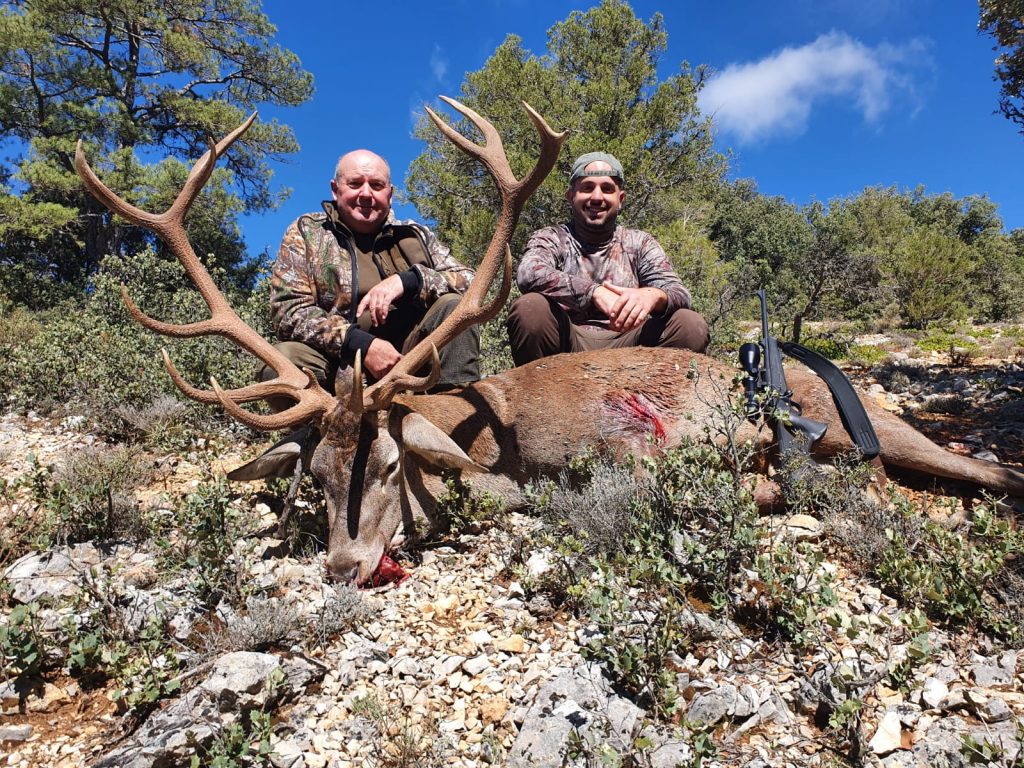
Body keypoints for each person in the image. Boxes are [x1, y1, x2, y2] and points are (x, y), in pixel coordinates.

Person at [264, 149, 480, 402]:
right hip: (339, 366)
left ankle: (455, 418)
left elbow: (472, 283)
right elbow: (288, 312)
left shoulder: (415, 235)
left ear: (390, 194)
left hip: (412, 360)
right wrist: (359, 345)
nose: (366, 194)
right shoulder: (307, 233)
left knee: (455, 307)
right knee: (281, 363)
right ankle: (323, 436)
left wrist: (411, 280)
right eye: (355, 183)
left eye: (376, 185)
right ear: (335, 189)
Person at [506, 151, 709, 365]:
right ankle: (541, 394)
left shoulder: (639, 242)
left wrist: (653, 296)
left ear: (620, 199)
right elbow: (528, 272)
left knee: (689, 325)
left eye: (607, 189)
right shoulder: (553, 237)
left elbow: (680, 293)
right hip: (568, 345)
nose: (596, 197)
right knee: (530, 308)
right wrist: (593, 292)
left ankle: (656, 398)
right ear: (571, 196)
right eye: (587, 187)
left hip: (631, 346)